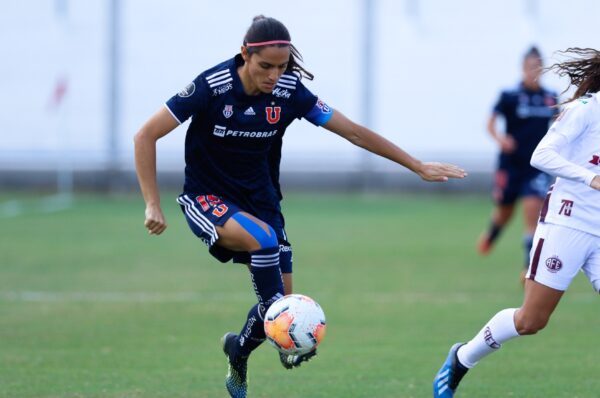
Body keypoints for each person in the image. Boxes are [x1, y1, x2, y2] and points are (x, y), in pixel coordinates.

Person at [134, 15, 466, 398]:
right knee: (265, 244)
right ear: (245, 54)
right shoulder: (213, 85)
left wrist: (417, 165)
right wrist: (151, 204)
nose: (274, 75)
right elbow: (146, 135)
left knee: (279, 306)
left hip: (262, 200)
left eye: (281, 66)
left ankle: (238, 351)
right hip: (207, 197)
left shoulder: (290, 90)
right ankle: (275, 336)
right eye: (265, 66)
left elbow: (353, 131)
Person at [433, 47, 600, 398]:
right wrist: (589, 178)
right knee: (531, 321)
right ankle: (462, 358)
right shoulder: (586, 109)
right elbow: (542, 155)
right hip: (568, 223)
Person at [477, 47, 559, 283]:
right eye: (529, 66)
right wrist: (501, 139)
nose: (533, 71)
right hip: (510, 165)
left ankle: (527, 268)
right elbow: (490, 123)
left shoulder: (550, 97)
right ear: (523, 68)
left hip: (536, 165)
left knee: (532, 212)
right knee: (505, 211)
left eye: (537, 67)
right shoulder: (510, 95)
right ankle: (491, 235)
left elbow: (559, 126)